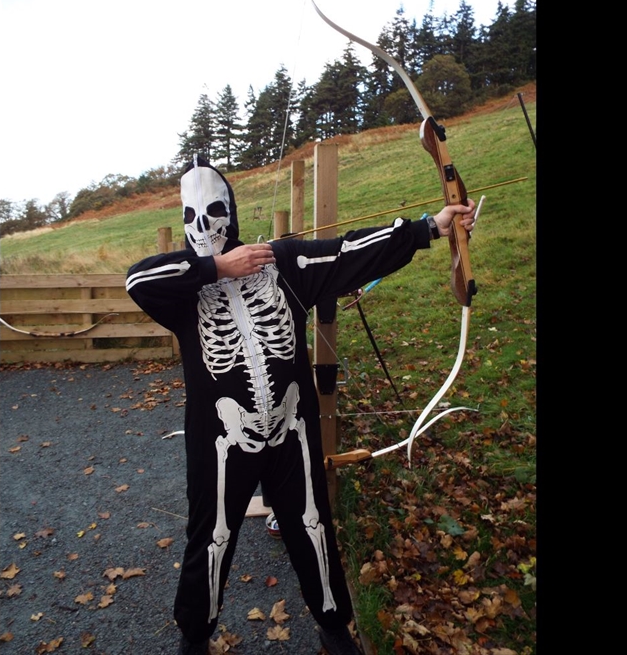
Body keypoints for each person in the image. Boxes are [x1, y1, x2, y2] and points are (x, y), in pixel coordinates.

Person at [125, 156, 476, 655]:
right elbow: (137, 280)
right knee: (212, 535)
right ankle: (194, 638)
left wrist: (429, 229)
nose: (205, 228)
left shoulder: (281, 262)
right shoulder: (184, 291)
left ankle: (333, 625)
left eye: (215, 214)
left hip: (291, 424)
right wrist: (217, 267)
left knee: (312, 524)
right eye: (193, 218)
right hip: (222, 437)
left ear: (233, 213)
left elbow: (349, 251)